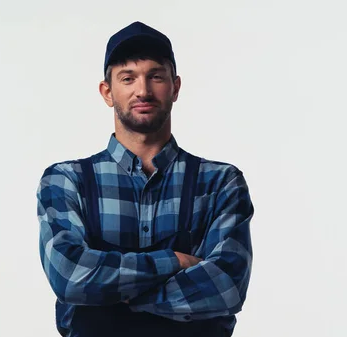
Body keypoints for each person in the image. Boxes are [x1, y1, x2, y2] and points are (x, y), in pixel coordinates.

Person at [37, 21, 254, 337]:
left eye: (156, 76)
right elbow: (69, 276)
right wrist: (173, 262)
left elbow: (227, 285)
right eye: (128, 78)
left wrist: (111, 295)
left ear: (175, 87)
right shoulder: (68, 181)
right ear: (107, 92)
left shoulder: (220, 182)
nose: (143, 90)